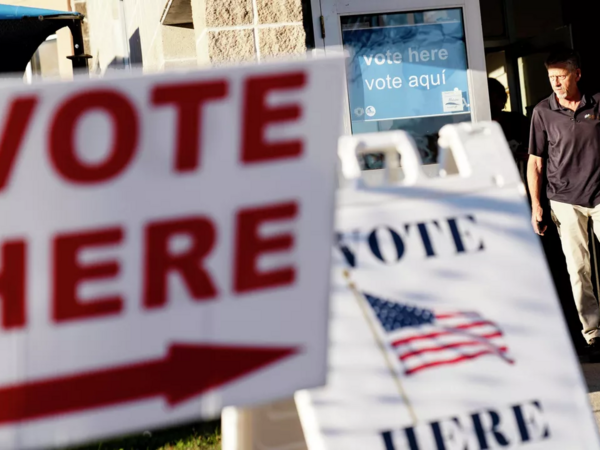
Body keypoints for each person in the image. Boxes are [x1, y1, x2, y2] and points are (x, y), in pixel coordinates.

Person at [528, 48, 600, 352]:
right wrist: (536, 206)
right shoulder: (542, 111)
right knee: (578, 268)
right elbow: (536, 162)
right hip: (564, 199)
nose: (556, 82)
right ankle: (593, 333)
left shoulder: (597, 102)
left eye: (561, 76)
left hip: (598, 193)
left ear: (577, 74)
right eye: (551, 77)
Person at [487, 78, 530, 166]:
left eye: (499, 98)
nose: (495, 103)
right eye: (491, 99)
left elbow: (537, 149)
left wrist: (532, 156)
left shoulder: (518, 120)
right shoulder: (476, 126)